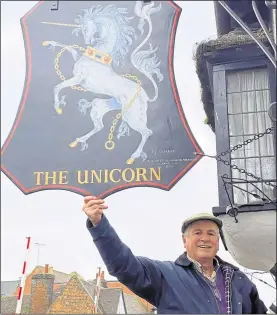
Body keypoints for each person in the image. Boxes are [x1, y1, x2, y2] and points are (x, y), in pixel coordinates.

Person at [82, 196, 267, 314]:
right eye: (197, 233)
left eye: (211, 233)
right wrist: (99, 224)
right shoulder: (165, 275)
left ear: (218, 241)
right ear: (184, 241)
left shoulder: (239, 281)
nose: (205, 238)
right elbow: (122, 265)